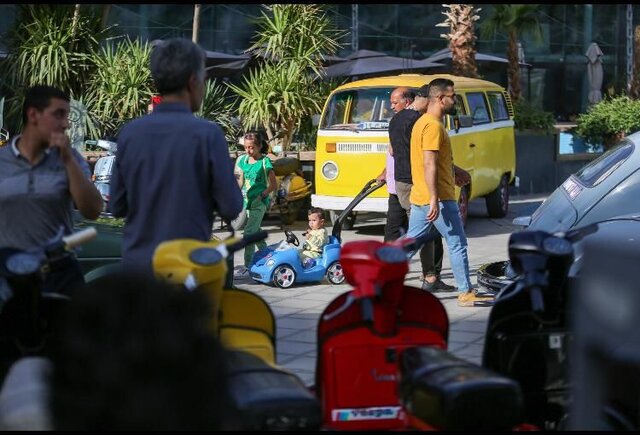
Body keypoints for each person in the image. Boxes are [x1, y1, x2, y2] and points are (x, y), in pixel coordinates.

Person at [109, 38, 243, 276]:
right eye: (204, 78)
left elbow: (118, 206)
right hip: (186, 273)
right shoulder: (208, 135)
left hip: (138, 272)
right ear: (193, 81)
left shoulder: (130, 134)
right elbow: (231, 206)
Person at [0, 85, 103, 294]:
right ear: (33, 115)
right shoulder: (3, 161)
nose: (65, 124)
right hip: (9, 273)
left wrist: (66, 159)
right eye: (59, 115)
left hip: (59, 271)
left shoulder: (70, 158)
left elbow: (92, 210)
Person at [405, 79, 491, 307]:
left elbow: (435, 160)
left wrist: (455, 171)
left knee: (409, 245)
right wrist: (435, 198)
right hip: (439, 198)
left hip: (421, 196)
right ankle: (465, 292)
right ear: (441, 99)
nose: (455, 100)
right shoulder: (433, 126)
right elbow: (429, 163)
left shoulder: (421, 123)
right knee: (457, 242)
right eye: (452, 96)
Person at [378, 86, 455, 293]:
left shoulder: (396, 120)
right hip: (415, 182)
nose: (392, 106)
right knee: (425, 231)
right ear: (429, 100)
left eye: (395, 102)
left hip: (401, 182)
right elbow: (427, 156)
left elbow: (394, 151)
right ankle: (428, 277)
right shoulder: (419, 121)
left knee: (405, 229)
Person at [233, 131, 277, 278]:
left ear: (259, 146)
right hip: (248, 202)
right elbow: (240, 181)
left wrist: (262, 196)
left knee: (249, 234)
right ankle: (269, 256)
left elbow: (273, 184)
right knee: (256, 233)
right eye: (246, 147)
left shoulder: (265, 162)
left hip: (259, 203)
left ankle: (248, 266)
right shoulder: (242, 160)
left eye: (251, 147)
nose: (248, 150)